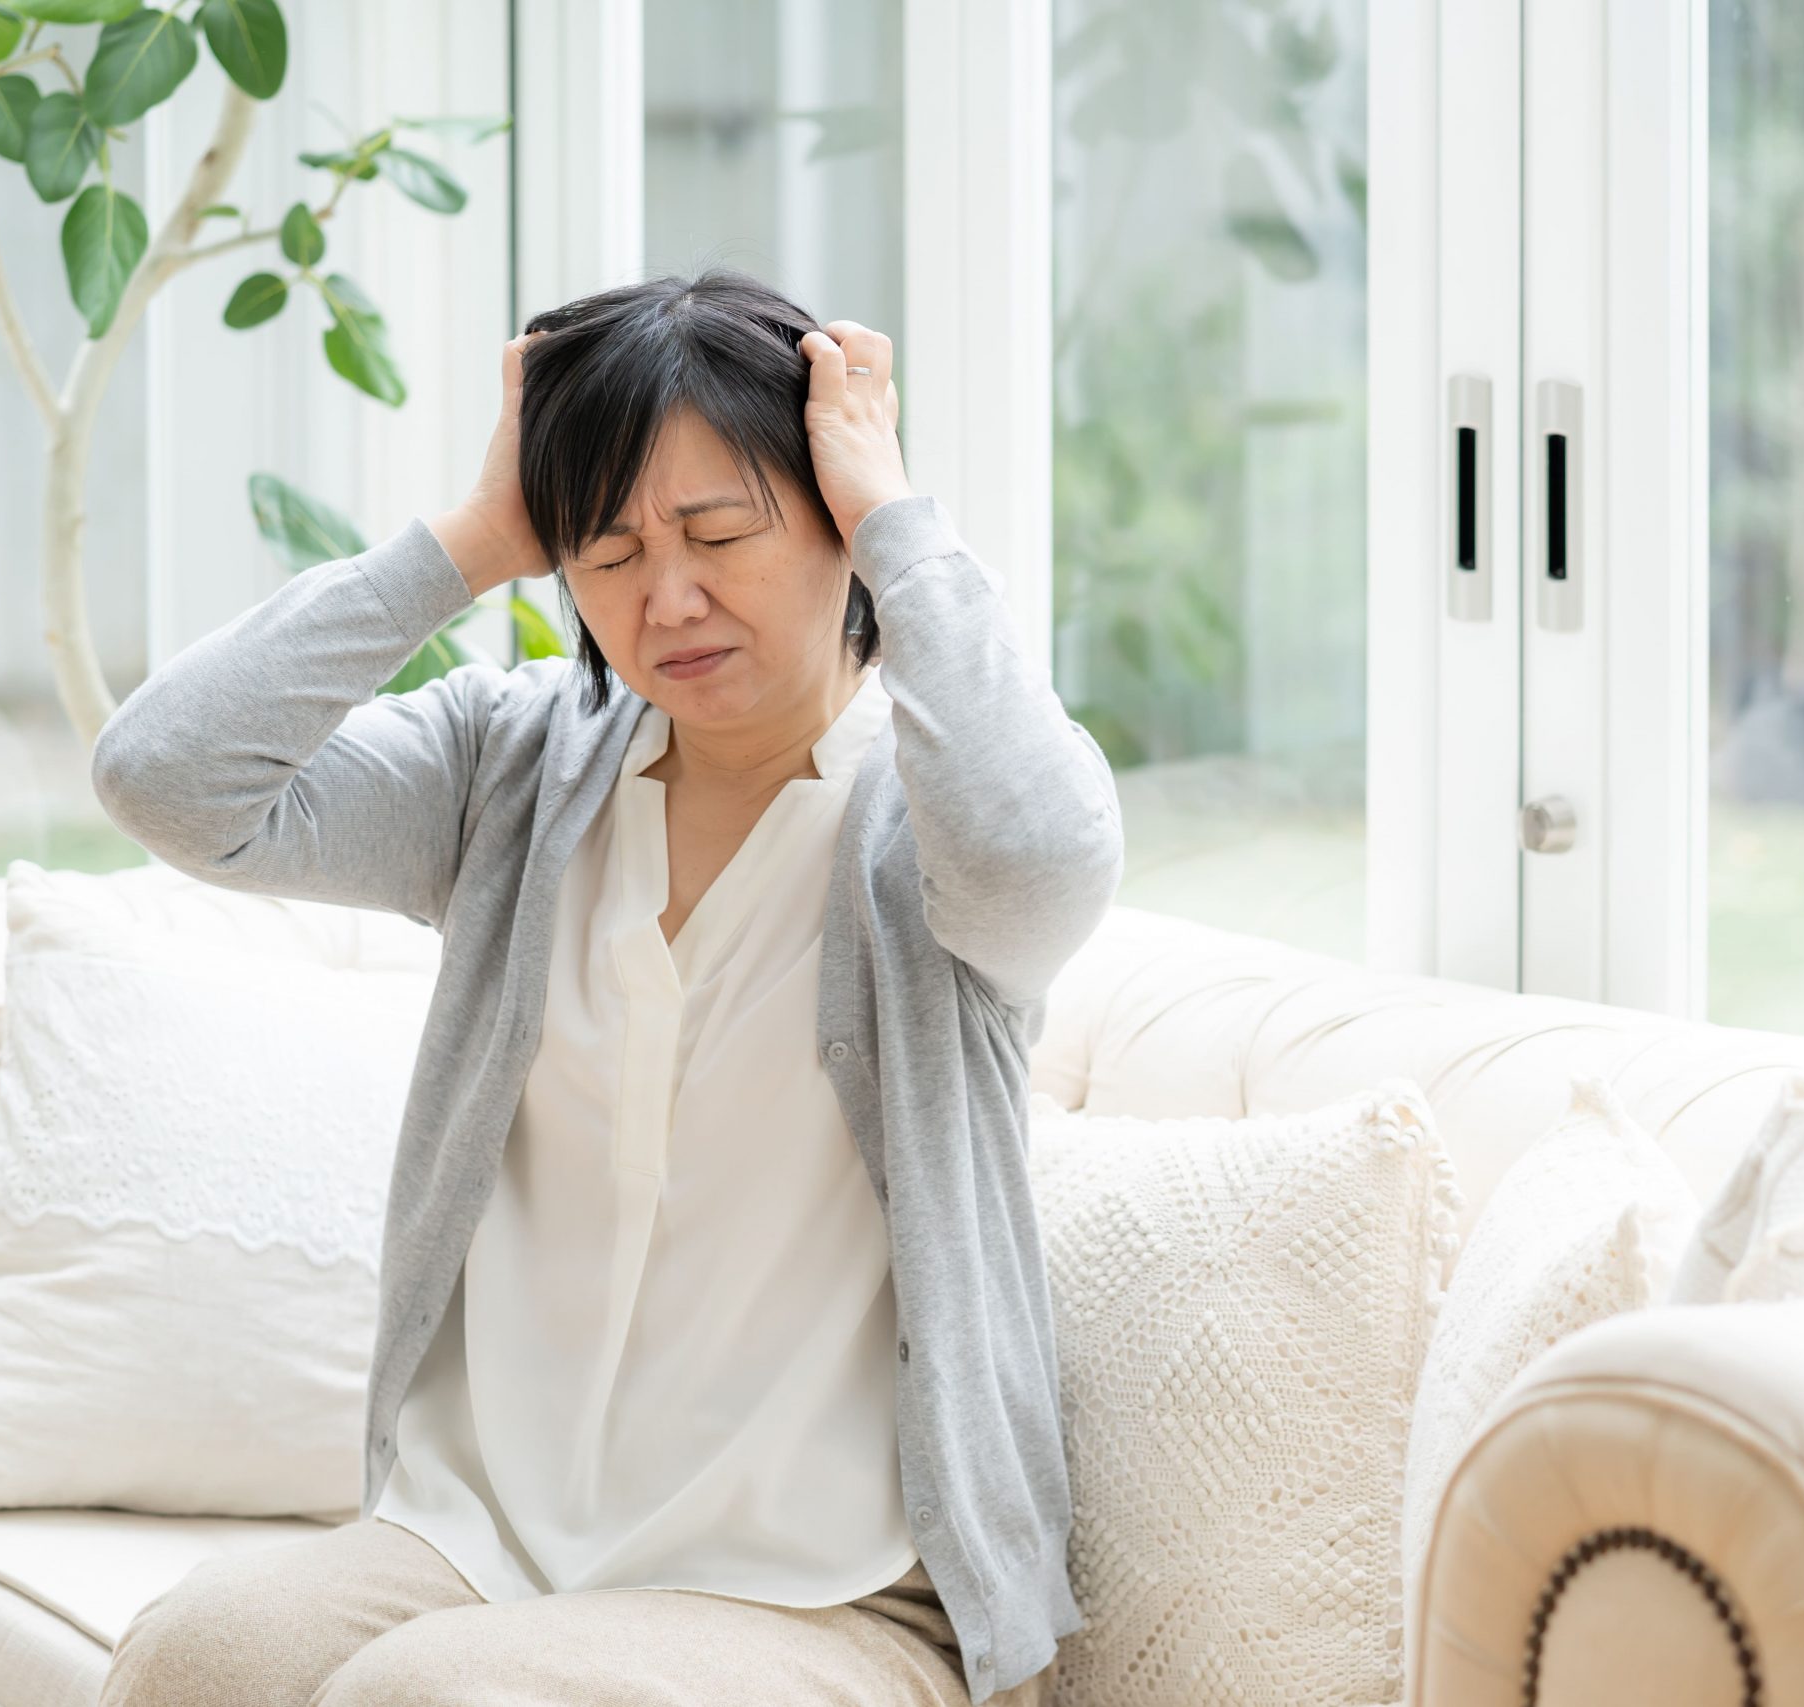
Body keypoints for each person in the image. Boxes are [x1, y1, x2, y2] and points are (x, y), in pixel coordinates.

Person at [88, 268, 1121, 1706]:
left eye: (716, 532)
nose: (667, 598)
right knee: (200, 1659)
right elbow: (166, 777)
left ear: (830, 515)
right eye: (609, 550)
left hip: (824, 1593)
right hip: (482, 1539)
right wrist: (470, 540)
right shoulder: (514, 769)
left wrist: (898, 518)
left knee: (432, 1697)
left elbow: (1037, 855)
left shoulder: (930, 829)